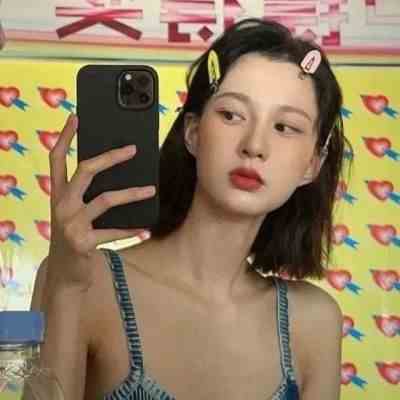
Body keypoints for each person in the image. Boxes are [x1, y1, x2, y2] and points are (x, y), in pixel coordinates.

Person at [31, 18, 349, 400]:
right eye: (232, 114)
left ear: (312, 164)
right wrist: (65, 289)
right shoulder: (81, 279)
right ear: (193, 133)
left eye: (284, 127)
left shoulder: (315, 322)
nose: (254, 145)